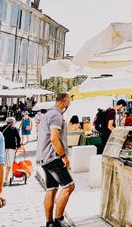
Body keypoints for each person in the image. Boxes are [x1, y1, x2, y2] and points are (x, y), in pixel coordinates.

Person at [37, 93, 75, 227]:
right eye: (69, 101)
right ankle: (58, 220)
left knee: (51, 189)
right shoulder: (56, 115)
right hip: (53, 157)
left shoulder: (48, 114)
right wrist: (63, 156)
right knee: (69, 186)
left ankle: (49, 223)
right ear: (64, 101)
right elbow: (54, 138)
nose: (69, 104)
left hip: (44, 157)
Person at [0, 117, 20, 185]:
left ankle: (1, 178)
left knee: (2, 164)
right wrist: (18, 145)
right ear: (12, 122)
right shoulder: (14, 129)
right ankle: (6, 179)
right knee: (9, 164)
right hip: (10, 148)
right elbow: (18, 137)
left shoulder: (1, 128)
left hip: (1, 148)